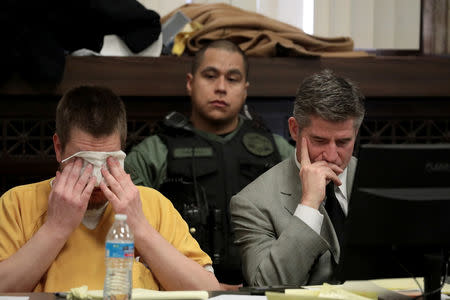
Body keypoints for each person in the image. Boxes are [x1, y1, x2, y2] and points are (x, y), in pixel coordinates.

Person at [0, 86, 221, 292]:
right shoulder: (17, 203)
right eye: (84, 162)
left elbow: (209, 290)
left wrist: (140, 227)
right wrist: (55, 229)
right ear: (59, 148)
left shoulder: (154, 204)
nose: (96, 181)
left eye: (109, 161)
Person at [125, 40, 293, 284]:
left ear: (245, 89)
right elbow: (128, 229)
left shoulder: (278, 150)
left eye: (232, 79)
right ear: (191, 83)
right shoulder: (155, 152)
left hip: (266, 290)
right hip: (183, 291)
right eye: (210, 76)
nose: (221, 87)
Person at [230, 69, 366, 286]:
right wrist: (309, 206)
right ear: (294, 130)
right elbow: (267, 286)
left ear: (355, 134)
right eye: (319, 141)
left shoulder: (380, 178)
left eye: (343, 142)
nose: (331, 156)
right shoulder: (252, 203)